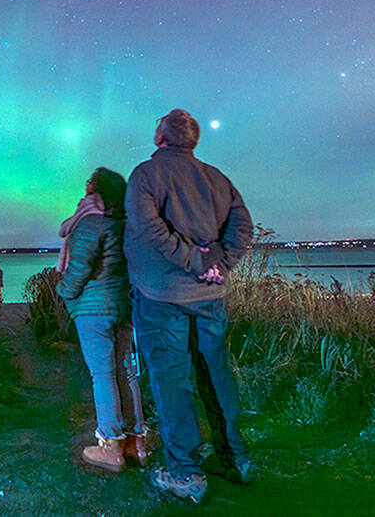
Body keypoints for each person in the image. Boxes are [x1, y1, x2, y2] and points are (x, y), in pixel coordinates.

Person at [123, 108, 255, 504]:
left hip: (162, 297)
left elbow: (149, 230)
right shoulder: (217, 178)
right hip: (209, 297)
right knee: (216, 375)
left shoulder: (145, 175)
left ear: (160, 137)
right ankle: (235, 459)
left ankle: (185, 472)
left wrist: (200, 262)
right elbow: (243, 227)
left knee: (173, 382)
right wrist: (220, 263)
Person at [56, 167, 149, 472]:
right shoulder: (128, 227)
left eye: (89, 188)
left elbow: (78, 270)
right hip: (122, 307)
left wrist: (64, 292)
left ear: (94, 192)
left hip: (94, 310)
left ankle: (110, 447)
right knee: (127, 373)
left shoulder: (90, 225)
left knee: (103, 375)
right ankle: (137, 443)